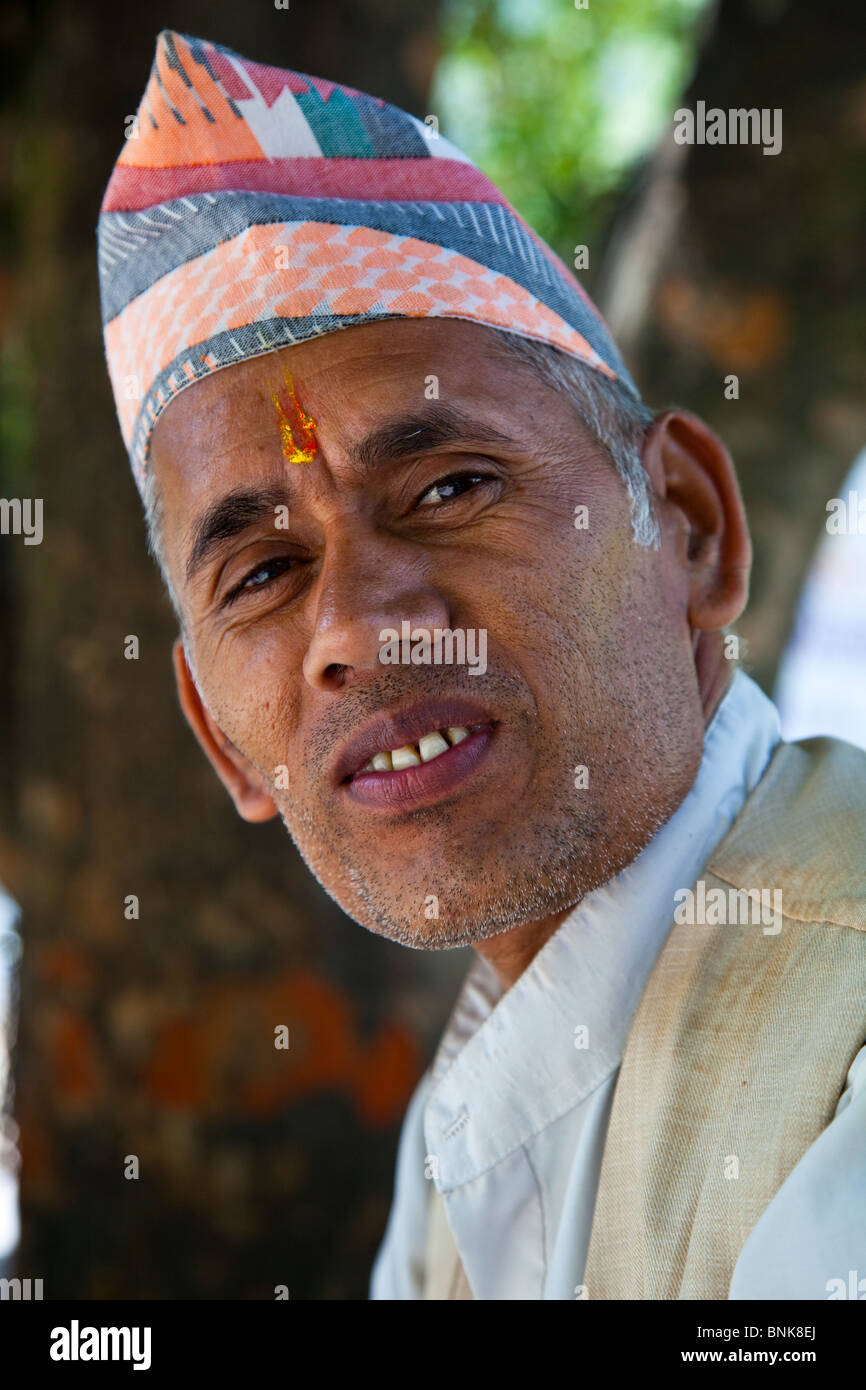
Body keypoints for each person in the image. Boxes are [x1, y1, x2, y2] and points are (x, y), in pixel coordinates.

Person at [98, 30, 866, 1300]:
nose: (355, 626)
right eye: (262, 574)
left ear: (688, 526)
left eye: (449, 485)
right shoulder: (472, 1110)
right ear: (223, 739)